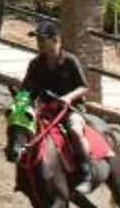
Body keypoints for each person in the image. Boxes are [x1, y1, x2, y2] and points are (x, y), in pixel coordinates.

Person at [8, 20, 92, 174]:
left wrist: (68, 97)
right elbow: (26, 89)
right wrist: (19, 101)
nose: (38, 43)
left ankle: (85, 168)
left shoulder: (70, 61)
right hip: (46, 109)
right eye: (37, 40)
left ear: (55, 40)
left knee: (74, 130)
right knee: (22, 126)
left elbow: (84, 87)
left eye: (41, 40)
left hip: (71, 109)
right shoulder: (35, 64)